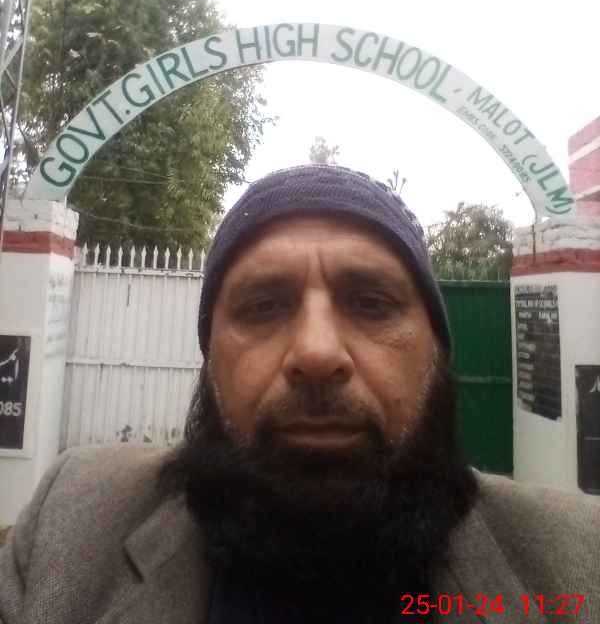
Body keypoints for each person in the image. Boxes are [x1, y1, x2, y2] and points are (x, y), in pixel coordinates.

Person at [0, 164, 598, 624]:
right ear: (211, 361)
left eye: (372, 303)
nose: (315, 354)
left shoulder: (578, 560)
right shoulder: (71, 526)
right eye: (263, 306)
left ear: (436, 353)